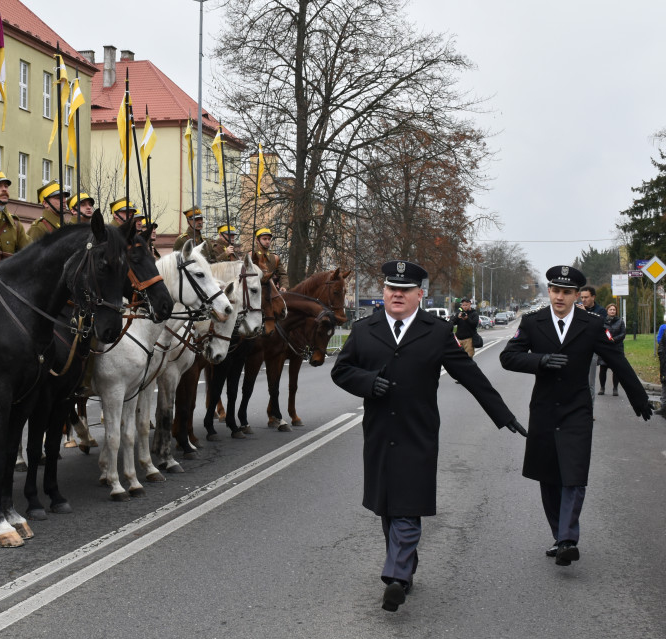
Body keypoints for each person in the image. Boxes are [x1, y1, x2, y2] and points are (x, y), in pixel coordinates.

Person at [331, 260, 526, 613]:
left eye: (405, 291)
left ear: (419, 295)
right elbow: (342, 370)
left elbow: (470, 375)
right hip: (378, 433)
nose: (397, 295)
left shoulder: (436, 331)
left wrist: (503, 414)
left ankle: (395, 577)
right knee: (388, 507)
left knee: (408, 506)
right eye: (392, 289)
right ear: (384, 292)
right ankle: (405, 564)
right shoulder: (364, 330)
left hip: (418, 432)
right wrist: (367, 383)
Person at [500, 266, 652, 567]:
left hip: (576, 409)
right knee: (548, 475)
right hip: (543, 410)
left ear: (576, 296)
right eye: (555, 290)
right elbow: (508, 357)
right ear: (550, 291)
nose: (559, 297)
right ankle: (560, 536)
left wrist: (639, 397)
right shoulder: (533, 322)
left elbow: (616, 360)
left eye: (566, 292)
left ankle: (568, 538)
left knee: (574, 472)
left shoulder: (592, 325)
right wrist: (539, 360)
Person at [577, 284, 606, 407]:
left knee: (589, 382)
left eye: (586, 297)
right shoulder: (576, 309)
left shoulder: (600, 311)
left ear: (593, 297)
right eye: (582, 297)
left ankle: (589, 409)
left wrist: (585, 314)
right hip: (577, 349)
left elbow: (598, 328)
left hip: (591, 350)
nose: (583, 300)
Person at [597, 303, 626, 396]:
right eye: (610, 309)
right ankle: (602, 387)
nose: (612, 311)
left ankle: (615, 388)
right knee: (603, 369)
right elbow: (600, 333)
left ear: (616, 311)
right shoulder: (602, 321)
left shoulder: (620, 321)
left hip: (616, 347)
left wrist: (614, 339)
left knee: (616, 369)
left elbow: (623, 334)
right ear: (607, 311)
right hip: (605, 347)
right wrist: (605, 341)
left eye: (614, 310)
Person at [250, 226, 289, 291]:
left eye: (269, 239)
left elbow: (283, 275)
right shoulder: (251, 255)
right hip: (254, 292)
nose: (267, 241)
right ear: (257, 240)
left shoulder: (275, 258)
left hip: (272, 292)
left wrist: (284, 286)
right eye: (264, 239)